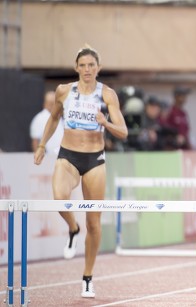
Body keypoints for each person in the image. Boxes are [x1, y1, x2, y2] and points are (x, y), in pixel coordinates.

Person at [33, 46, 128, 298]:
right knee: (59, 198)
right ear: (76, 67)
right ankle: (73, 228)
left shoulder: (107, 94)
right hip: (68, 155)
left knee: (95, 224)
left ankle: (87, 277)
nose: (87, 70)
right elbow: (54, 118)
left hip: (95, 160)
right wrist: (42, 144)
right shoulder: (64, 91)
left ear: (98, 68)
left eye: (91, 65)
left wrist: (105, 122)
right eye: (82, 65)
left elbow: (123, 131)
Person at [164, 85, 192, 150]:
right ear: (176, 96)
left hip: (184, 148)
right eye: (183, 96)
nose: (185, 98)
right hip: (172, 149)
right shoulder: (169, 112)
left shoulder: (183, 113)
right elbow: (165, 130)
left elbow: (186, 131)